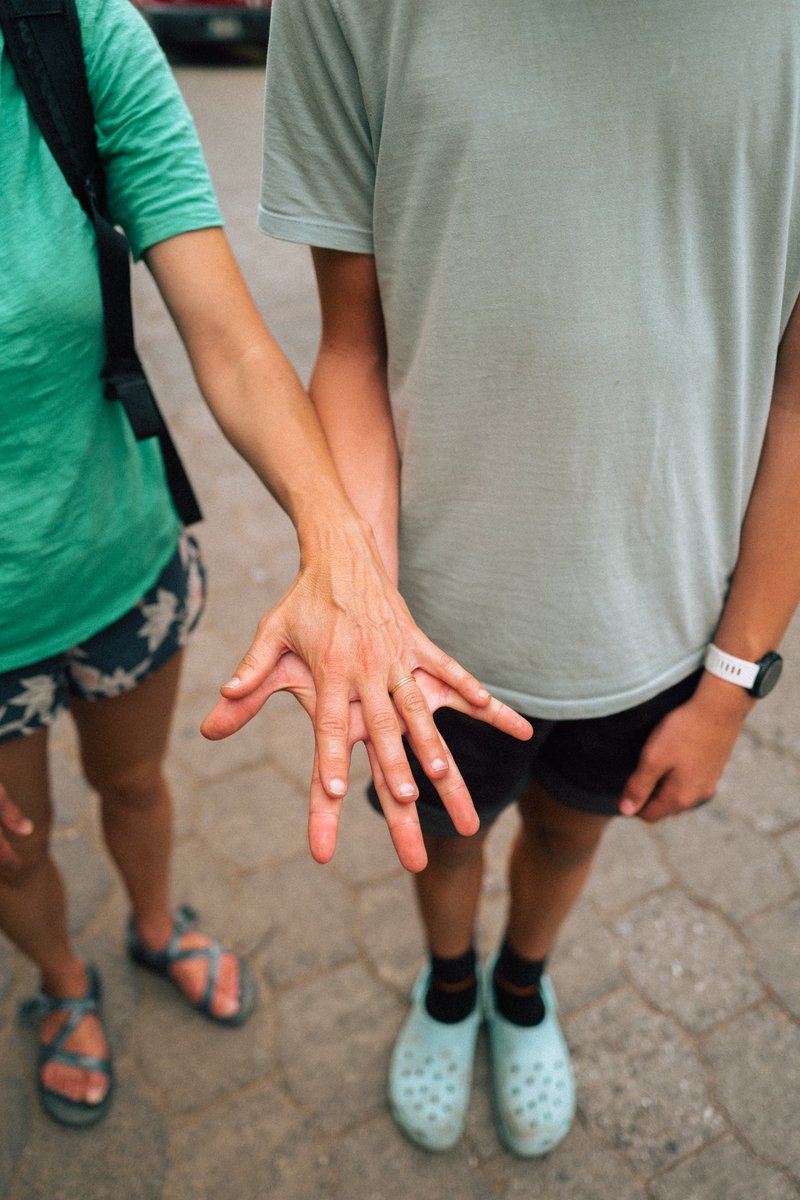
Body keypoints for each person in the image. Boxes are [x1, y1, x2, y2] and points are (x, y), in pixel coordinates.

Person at [207, 0, 800, 1158]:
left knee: (572, 834)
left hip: (661, 629)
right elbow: (353, 346)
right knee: (442, 834)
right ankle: (447, 982)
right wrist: (362, 611)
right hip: (430, 628)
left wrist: (731, 682)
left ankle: (519, 988)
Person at [0, 0, 529, 1128]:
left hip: (114, 562)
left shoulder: (75, 34)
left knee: (137, 784)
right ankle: (59, 986)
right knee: (13, 851)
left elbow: (234, 341)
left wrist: (341, 553)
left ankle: (154, 928)